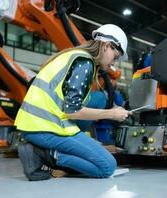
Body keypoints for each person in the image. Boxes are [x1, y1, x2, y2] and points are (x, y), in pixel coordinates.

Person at [15, 24, 131, 181]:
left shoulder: (75, 56)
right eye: (115, 57)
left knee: (95, 100)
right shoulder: (84, 63)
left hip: (34, 125)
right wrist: (111, 114)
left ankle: (49, 152)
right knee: (107, 166)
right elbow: (72, 110)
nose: (114, 64)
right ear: (107, 45)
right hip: (45, 128)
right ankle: (46, 155)